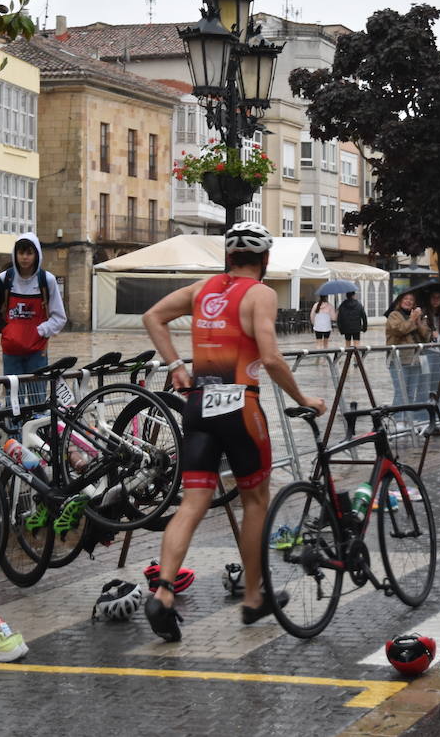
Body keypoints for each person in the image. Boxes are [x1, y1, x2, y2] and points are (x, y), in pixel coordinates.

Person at [140, 222, 326, 642]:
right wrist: (302, 398)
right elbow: (272, 359)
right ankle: (254, 597)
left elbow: (152, 317)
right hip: (240, 405)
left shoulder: (201, 289)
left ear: (227, 258)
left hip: (199, 404)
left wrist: (176, 367)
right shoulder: (260, 294)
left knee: (192, 504)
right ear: (265, 260)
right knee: (256, 501)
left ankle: (165, 591)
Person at [0, 233, 67, 405]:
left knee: (38, 401)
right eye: (20, 252)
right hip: (11, 352)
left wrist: (40, 331)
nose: (24, 257)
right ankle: (15, 432)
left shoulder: (47, 280)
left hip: (37, 352)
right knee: (14, 401)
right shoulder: (5, 279)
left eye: (29, 253)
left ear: (36, 254)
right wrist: (6, 330)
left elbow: (59, 317)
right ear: (15, 254)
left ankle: (36, 430)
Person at [385, 291, 431, 425]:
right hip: (399, 360)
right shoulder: (394, 315)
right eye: (405, 299)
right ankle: (397, 421)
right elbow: (399, 330)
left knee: (411, 392)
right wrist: (412, 320)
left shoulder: (416, 317)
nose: (409, 301)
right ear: (399, 301)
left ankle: (408, 420)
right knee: (401, 391)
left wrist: (418, 321)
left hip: (416, 359)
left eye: (411, 299)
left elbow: (427, 336)